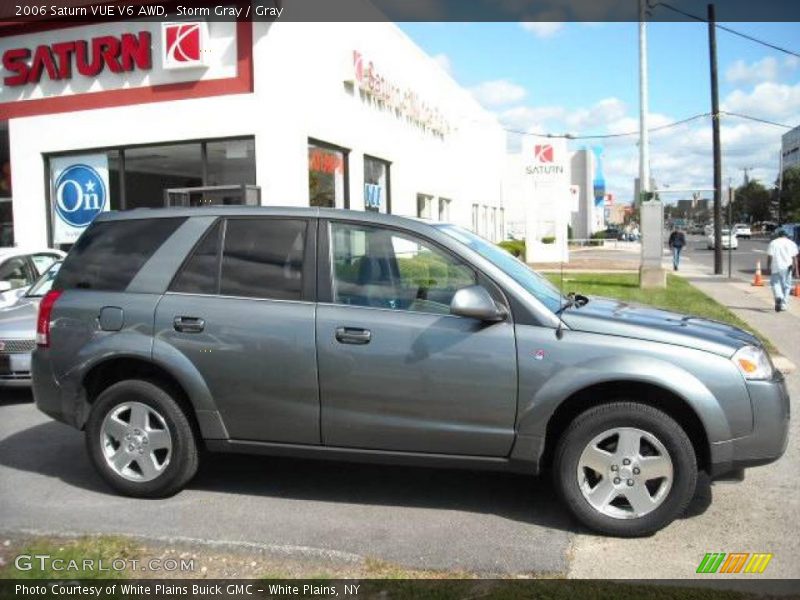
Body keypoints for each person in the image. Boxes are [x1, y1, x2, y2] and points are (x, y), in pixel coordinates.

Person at [767, 229, 799, 312]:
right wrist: (796, 271)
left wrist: (768, 267)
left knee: (775, 283)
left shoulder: (773, 243)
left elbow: (770, 256)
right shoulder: (791, 243)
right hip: (788, 267)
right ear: (786, 235)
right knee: (787, 286)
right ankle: (783, 305)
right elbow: (794, 258)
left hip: (776, 266)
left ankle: (779, 296)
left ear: (778, 235)